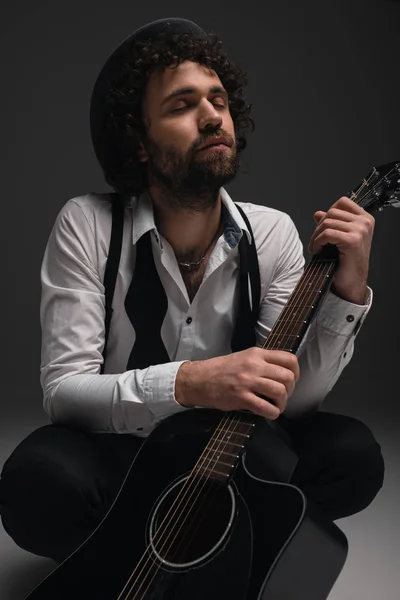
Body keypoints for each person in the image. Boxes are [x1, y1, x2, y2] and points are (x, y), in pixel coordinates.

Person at [0, 17, 384, 566]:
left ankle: (218, 545)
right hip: (124, 458)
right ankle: (155, 552)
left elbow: (294, 400)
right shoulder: (86, 223)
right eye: (182, 106)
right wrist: (194, 383)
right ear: (137, 139)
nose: (212, 117)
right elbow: (65, 392)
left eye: (219, 101)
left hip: (233, 458)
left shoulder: (271, 232)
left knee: (351, 455)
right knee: (37, 481)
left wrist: (347, 290)